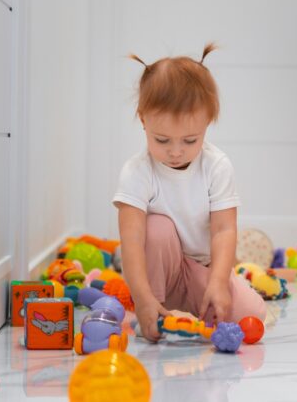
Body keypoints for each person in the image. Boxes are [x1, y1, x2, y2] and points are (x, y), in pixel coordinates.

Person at [113, 45, 267, 341]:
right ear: (143, 120)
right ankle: (152, 309)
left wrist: (219, 282)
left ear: (207, 123)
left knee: (252, 315)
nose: (175, 151)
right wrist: (143, 297)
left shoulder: (217, 166)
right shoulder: (136, 171)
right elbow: (131, 241)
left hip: (201, 269)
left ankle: (194, 306)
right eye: (162, 140)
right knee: (156, 228)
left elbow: (223, 230)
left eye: (189, 140)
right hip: (159, 274)